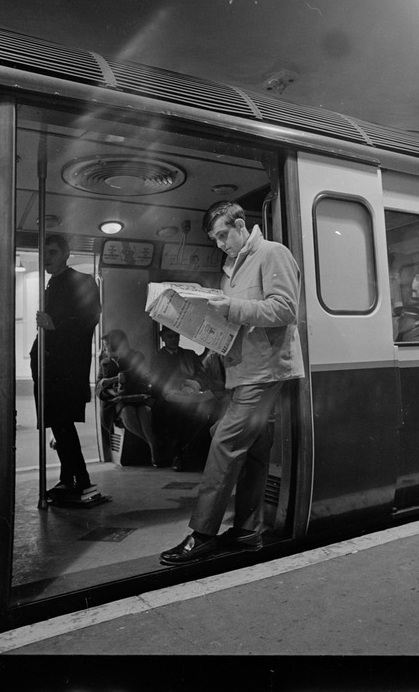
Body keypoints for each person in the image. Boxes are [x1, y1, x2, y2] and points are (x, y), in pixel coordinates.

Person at [160, 201, 305, 565]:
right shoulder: (233, 269)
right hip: (245, 369)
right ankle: (246, 531)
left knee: (224, 443)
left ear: (241, 224)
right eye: (216, 239)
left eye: (223, 234)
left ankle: (203, 533)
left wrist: (230, 308)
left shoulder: (273, 253)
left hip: (265, 369)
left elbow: (286, 309)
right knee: (254, 450)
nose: (221, 244)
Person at [30, 234, 101, 493]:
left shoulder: (81, 281)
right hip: (50, 369)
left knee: (61, 424)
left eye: (52, 252)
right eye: (44, 253)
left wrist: (55, 324)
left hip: (66, 370)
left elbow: (90, 316)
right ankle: (71, 478)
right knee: (60, 425)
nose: (46, 258)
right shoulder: (51, 284)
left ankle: (77, 479)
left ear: (66, 254)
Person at [96, 329, 168, 467]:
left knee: (144, 412)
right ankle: (153, 445)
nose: (105, 349)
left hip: (138, 397)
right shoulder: (105, 363)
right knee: (127, 412)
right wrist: (112, 392)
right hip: (117, 403)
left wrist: (119, 379)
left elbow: (138, 374)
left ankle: (153, 445)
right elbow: (100, 389)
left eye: (107, 346)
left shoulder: (136, 357)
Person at [150, 326, 213, 470]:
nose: (173, 340)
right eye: (169, 337)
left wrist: (194, 385)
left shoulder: (189, 355)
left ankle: (193, 455)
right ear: (163, 338)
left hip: (192, 395)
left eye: (175, 336)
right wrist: (179, 385)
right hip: (167, 397)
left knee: (203, 414)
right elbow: (156, 380)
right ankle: (176, 455)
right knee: (173, 416)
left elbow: (202, 374)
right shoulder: (158, 358)